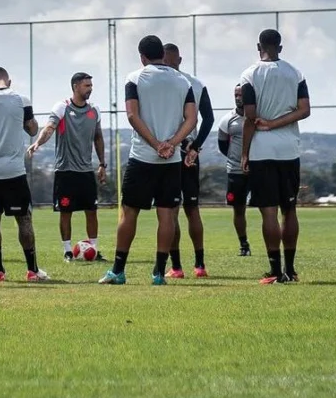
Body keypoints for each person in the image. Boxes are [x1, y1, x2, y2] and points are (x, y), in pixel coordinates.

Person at [99, 35, 197, 285]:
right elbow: (191, 119)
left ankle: (118, 271)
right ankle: (158, 273)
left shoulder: (135, 78)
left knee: (129, 212)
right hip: (171, 160)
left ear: (142, 56)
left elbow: (132, 115)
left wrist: (155, 144)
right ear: (163, 55)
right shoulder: (182, 80)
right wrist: (172, 144)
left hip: (142, 157)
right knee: (167, 216)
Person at [241, 29, 311, 285]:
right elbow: (305, 110)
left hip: (262, 150)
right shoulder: (295, 73)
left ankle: (274, 270)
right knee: (289, 209)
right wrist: (277, 123)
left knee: (268, 213)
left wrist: (245, 152)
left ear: (258, 46)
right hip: (289, 150)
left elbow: (249, 115)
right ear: (280, 48)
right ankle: (290, 271)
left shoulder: (249, 74)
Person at [27, 72, 107, 262]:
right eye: (87, 85)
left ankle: (93, 250)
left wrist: (102, 164)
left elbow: (98, 137)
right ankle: (67, 251)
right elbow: (49, 128)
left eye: (91, 85)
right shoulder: (62, 107)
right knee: (65, 212)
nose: (90, 89)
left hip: (86, 171)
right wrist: (38, 142)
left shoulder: (95, 110)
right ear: (76, 86)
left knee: (92, 211)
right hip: (65, 171)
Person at [0, 67, 45, 282]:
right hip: (15, 172)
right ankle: (32, 270)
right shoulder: (21, 99)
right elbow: (33, 129)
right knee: (24, 220)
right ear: (9, 80)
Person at [162, 43, 215, 278]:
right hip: (188, 151)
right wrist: (195, 146)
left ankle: (176, 267)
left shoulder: (157, 83)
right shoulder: (196, 82)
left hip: (166, 151)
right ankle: (200, 265)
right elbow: (208, 118)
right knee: (192, 209)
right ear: (179, 59)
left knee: (170, 210)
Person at [217, 85, 252, 256]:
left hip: (258, 170)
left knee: (267, 207)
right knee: (238, 209)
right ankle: (243, 244)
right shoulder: (227, 120)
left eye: (241, 94)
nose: (238, 98)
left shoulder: (257, 116)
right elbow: (223, 145)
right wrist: (237, 159)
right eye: (235, 94)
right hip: (235, 172)